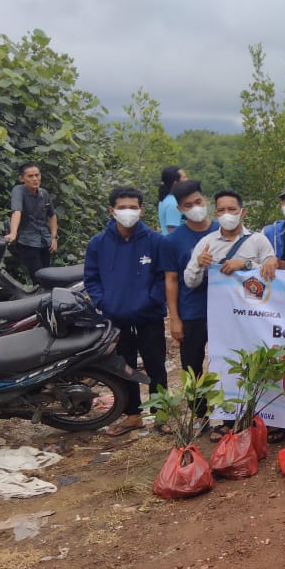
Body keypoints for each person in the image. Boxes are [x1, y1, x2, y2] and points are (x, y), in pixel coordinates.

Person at [184, 190, 278, 441]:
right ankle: (227, 420)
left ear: (242, 212)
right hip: (223, 319)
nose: (227, 214)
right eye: (222, 210)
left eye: (232, 209)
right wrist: (199, 264)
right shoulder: (206, 243)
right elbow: (190, 281)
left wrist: (246, 265)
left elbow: (271, 272)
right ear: (216, 214)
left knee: (257, 361)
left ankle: (264, 419)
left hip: (254, 317)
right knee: (225, 363)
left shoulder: (258, 241)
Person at [84, 186, 168, 436]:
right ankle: (133, 416)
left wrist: (151, 300)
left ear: (141, 210)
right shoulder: (98, 244)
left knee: (155, 365)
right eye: (122, 208)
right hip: (116, 318)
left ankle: (162, 414)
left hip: (149, 316)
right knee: (124, 367)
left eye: (133, 207)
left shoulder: (155, 241)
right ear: (112, 210)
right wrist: (104, 303)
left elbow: (164, 277)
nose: (128, 212)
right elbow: (91, 279)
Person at [159, 180, 220, 429]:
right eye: (188, 205)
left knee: (224, 361)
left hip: (224, 311)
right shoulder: (173, 241)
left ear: (205, 200)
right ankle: (199, 413)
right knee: (192, 365)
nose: (195, 208)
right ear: (180, 210)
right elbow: (171, 280)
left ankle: (225, 414)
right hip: (192, 310)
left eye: (198, 202)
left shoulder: (223, 230)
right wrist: (174, 318)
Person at [5, 162, 57, 282]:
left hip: (45, 240)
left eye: (37, 175)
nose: (35, 179)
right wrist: (13, 233)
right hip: (28, 241)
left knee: (48, 275)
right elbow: (17, 211)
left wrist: (54, 237)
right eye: (30, 176)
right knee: (38, 277)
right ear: (22, 178)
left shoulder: (44, 193)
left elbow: (52, 215)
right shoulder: (18, 190)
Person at [157, 166, 186, 234]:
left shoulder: (167, 198)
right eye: (184, 177)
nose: (187, 180)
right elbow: (172, 231)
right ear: (176, 183)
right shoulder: (173, 203)